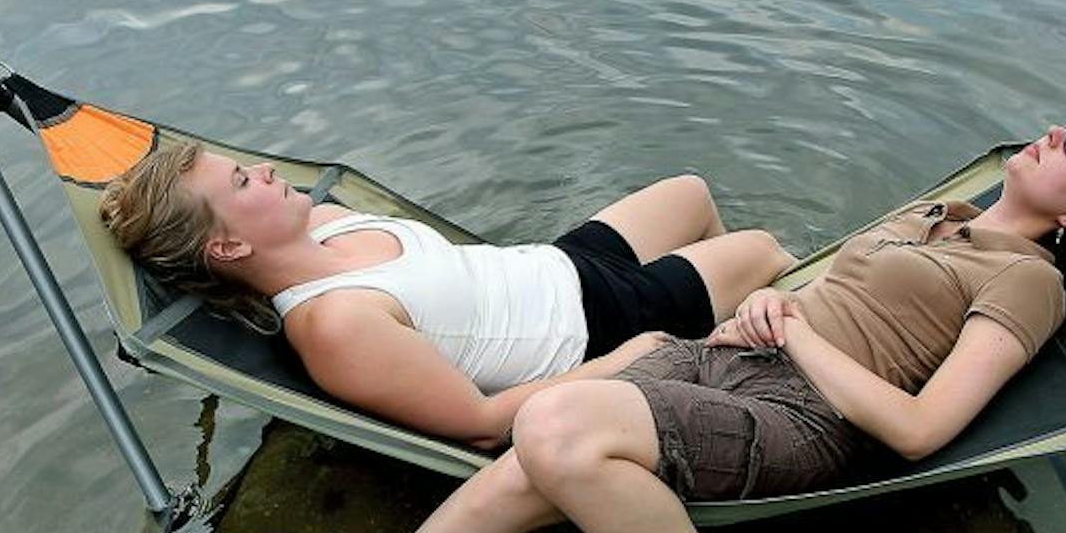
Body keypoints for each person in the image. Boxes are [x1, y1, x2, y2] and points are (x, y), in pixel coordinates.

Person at [264, 116, 1066, 533]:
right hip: (726, 354)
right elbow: (822, 297)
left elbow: (920, 429)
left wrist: (795, 331)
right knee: (521, 474)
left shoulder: (1028, 281)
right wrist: (763, 306)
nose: (1060, 136)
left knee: (551, 427)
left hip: (807, 416)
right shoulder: (938, 218)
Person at [100, 144, 794, 445]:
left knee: (691, 192)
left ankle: (736, 338)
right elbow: (481, 422)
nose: (263, 170)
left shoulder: (325, 220)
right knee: (764, 250)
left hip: (560, 264)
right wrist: (629, 357)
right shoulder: (335, 325)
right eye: (242, 182)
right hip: (599, 327)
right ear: (227, 248)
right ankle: (791, 359)